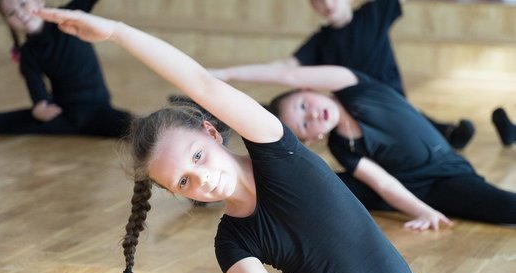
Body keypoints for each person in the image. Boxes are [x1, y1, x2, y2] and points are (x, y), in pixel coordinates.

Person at [0, 8, 515, 273]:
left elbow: (200, 81)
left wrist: (114, 31)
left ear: (213, 132)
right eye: (181, 182)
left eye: (197, 161)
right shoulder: (232, 239)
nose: (198, 182)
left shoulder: (280, 153)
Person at [216, 62, 516, 229]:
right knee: (326, 183)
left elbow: (287, 74)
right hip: (420, 190)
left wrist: (227, 74)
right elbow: (383, 182)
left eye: (305, 104)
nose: (312, 114)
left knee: (504, 207)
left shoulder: (352, 84)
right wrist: (422, 211)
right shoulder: (343, 148)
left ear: (310, 89)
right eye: (306, 124)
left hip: (449, 173)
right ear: (311, 138)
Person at [210, 0, 475, 150]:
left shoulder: (374, 12)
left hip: (394, 100)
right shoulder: (321, 41)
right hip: (361, 112)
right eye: (317, 0)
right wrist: (224, 73)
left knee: (417, 123)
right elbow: (285, 69)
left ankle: (447, 134)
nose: (326, 3)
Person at [0, 0, 131, 137]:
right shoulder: (28, 53)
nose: (20, 14)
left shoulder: (67, 15)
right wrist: (40, 107)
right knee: (2, 122)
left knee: (133, 126)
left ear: (39, 1)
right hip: (64, 115)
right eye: (11, 13)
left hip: (98, 110)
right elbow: (37, 91)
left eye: (23, 4)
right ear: (8, 23)